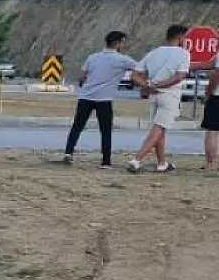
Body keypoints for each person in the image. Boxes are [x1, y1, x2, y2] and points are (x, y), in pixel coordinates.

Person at [63, 31, 135, 168]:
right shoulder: (123, 60)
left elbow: (83, 76)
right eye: (123, 42)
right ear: (118, 43)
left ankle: (68, 153)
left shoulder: (92, 57)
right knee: (106, 130)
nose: (125, 45)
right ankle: (106, 161)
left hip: (86, 97)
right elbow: (140, 68)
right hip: (104, 99)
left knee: (77, 126)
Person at [126, 25, 192, 174]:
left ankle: (162, 163)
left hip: (153, 95)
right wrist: (159, 84)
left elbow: (135, 75)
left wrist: (147, 84)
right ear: (181, 38)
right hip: (170, 95)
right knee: (158, 129)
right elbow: (179, 77)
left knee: (160, 130)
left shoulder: (153, 53)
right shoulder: (183, 54)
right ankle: (137, 160)